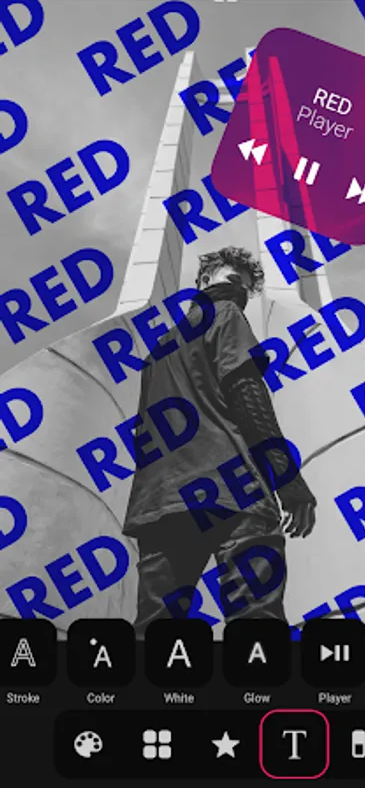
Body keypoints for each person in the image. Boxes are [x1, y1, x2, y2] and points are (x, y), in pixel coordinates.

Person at [122, 247, 317, 636]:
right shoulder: (226, 314)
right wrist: (289, 480)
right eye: (231, 281)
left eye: (244, 289)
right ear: (203, 282)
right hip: (233, 490)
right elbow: (248, 398)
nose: (238, 292)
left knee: (154, 628)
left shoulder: (158, 351)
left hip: (161, 505)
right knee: (256, 621)